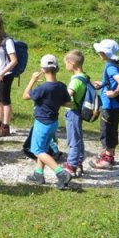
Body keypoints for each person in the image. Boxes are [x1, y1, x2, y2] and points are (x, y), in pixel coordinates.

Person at [22, 54, 73, 190]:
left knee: (38, 150)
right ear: (56, 69)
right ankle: (38, 174)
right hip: (53, 123)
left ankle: (61, 174)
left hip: (42, 123)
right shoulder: (61, 86)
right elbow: (67, 102)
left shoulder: (43, 88)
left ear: (43, 70)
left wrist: (32, 80)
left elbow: (25, 96)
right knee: (44, 148)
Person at [90, 39, 119, 170]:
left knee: (106, 131)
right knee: (112, 130)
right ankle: (109, 153)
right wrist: (102, 84)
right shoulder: (116, 64)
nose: (98, 53)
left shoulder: (110, 67)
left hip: (110, 105)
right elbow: (111, 81)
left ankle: (107, 158)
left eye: (100, 51)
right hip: (116, 105)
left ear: (105, 53)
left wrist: (114, 93)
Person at [63, 50, 89, 177]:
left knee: (73, 140)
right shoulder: (84, 76)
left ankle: (71, 166)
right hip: (79, 111)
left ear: (72, 63)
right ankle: (79, 162)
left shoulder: (75, 81)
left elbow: (66, 97)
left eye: (66, 63)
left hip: (73, 112)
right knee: (78, 138)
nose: (65, 66)